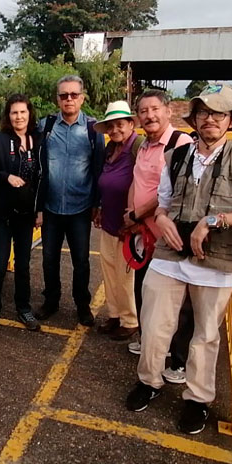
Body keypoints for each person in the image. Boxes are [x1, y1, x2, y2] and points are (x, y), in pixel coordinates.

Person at [126, 83, 232, 435]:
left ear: (231, 120)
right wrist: (162, 220)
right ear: (194, 118)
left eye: (218, 113)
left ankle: (198, 400)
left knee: (206, 335)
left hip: (216, 262)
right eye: (203, 113)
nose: (209, 119)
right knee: (153, 324)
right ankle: (149, 381)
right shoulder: (178, 156)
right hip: (169, 255)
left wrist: (215, 220)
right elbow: (163, 203)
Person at [123, 90, 194, 386]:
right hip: (143, 233)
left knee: (175, 301)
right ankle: (148, 339)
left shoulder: (181, 144)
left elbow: (172, 192)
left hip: (167, 235)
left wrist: (138, 214)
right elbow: (138, 181)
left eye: (154, 109)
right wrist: (131, 215)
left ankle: (177, 361)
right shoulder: (144, 145)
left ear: (168, 110)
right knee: (144, 291)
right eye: (143, 111)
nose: (149, 116)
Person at [35, 75, 104, 326]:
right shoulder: (46, 126)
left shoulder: (93, 129)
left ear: (82, 97)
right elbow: (36, 164)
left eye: (74, 94)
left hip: (80, 207)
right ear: (58, 99)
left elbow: (98, 168)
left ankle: (82, 304)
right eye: (64, 95)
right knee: (49, 258)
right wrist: (37, 205)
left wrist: (97, 204)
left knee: (81, 260)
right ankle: (51, 301)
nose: (69, 99)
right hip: (51, 206)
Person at [0, 94, 42, 333]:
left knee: (23, 264)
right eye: (14, 112)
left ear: (29, 114)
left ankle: (23, 307)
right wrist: (6, 176)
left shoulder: (37, 139)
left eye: (23, 112)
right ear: (9, 116)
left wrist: (39, 210)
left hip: (25, 214)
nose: (19, 117)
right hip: (2, 213)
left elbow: (41, 177)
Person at [92, 101, 140, 340]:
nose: (115, 130)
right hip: (109, 221)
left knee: (125, 276)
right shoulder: (111, 149)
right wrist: (100, 206)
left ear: (131, 124)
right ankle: (114, 314)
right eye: (110, 126)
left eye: (120, 124)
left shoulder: (138, 147)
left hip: (129, 226)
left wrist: (135, 218)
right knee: (109, 271)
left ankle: (130, 320)